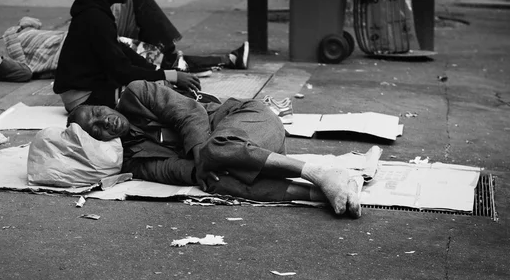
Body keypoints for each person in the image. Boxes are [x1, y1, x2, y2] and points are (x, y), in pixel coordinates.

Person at [67, 80, 378, 218]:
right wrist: (206, 169)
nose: (104, 120)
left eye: (97, 111)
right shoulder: (133, 160)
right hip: (251, 159)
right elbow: (177, 171)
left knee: (215, 152)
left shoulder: (137, 94)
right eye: (96, 127)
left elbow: (190, 113)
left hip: (252, 120)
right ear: (97, 141)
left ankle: (318, 172)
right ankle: (322, 192)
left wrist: (206, 157)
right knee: (216, 183)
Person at [0, 0, 248, 83]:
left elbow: (33, 28)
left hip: (81, 32)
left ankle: (178, 54)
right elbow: (23, 73)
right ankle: (226, 58)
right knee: (141, 54)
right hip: (82, 47)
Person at [54, 0, 249, 112]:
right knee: (153, 93)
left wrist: (162, 73)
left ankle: (191, 96)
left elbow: (123, 53)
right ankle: (199, 106)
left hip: (90, 89)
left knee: (160, 82)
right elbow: (121, 70)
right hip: (84, 99)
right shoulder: (94, 17)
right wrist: (169, 76)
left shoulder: (96, 12)